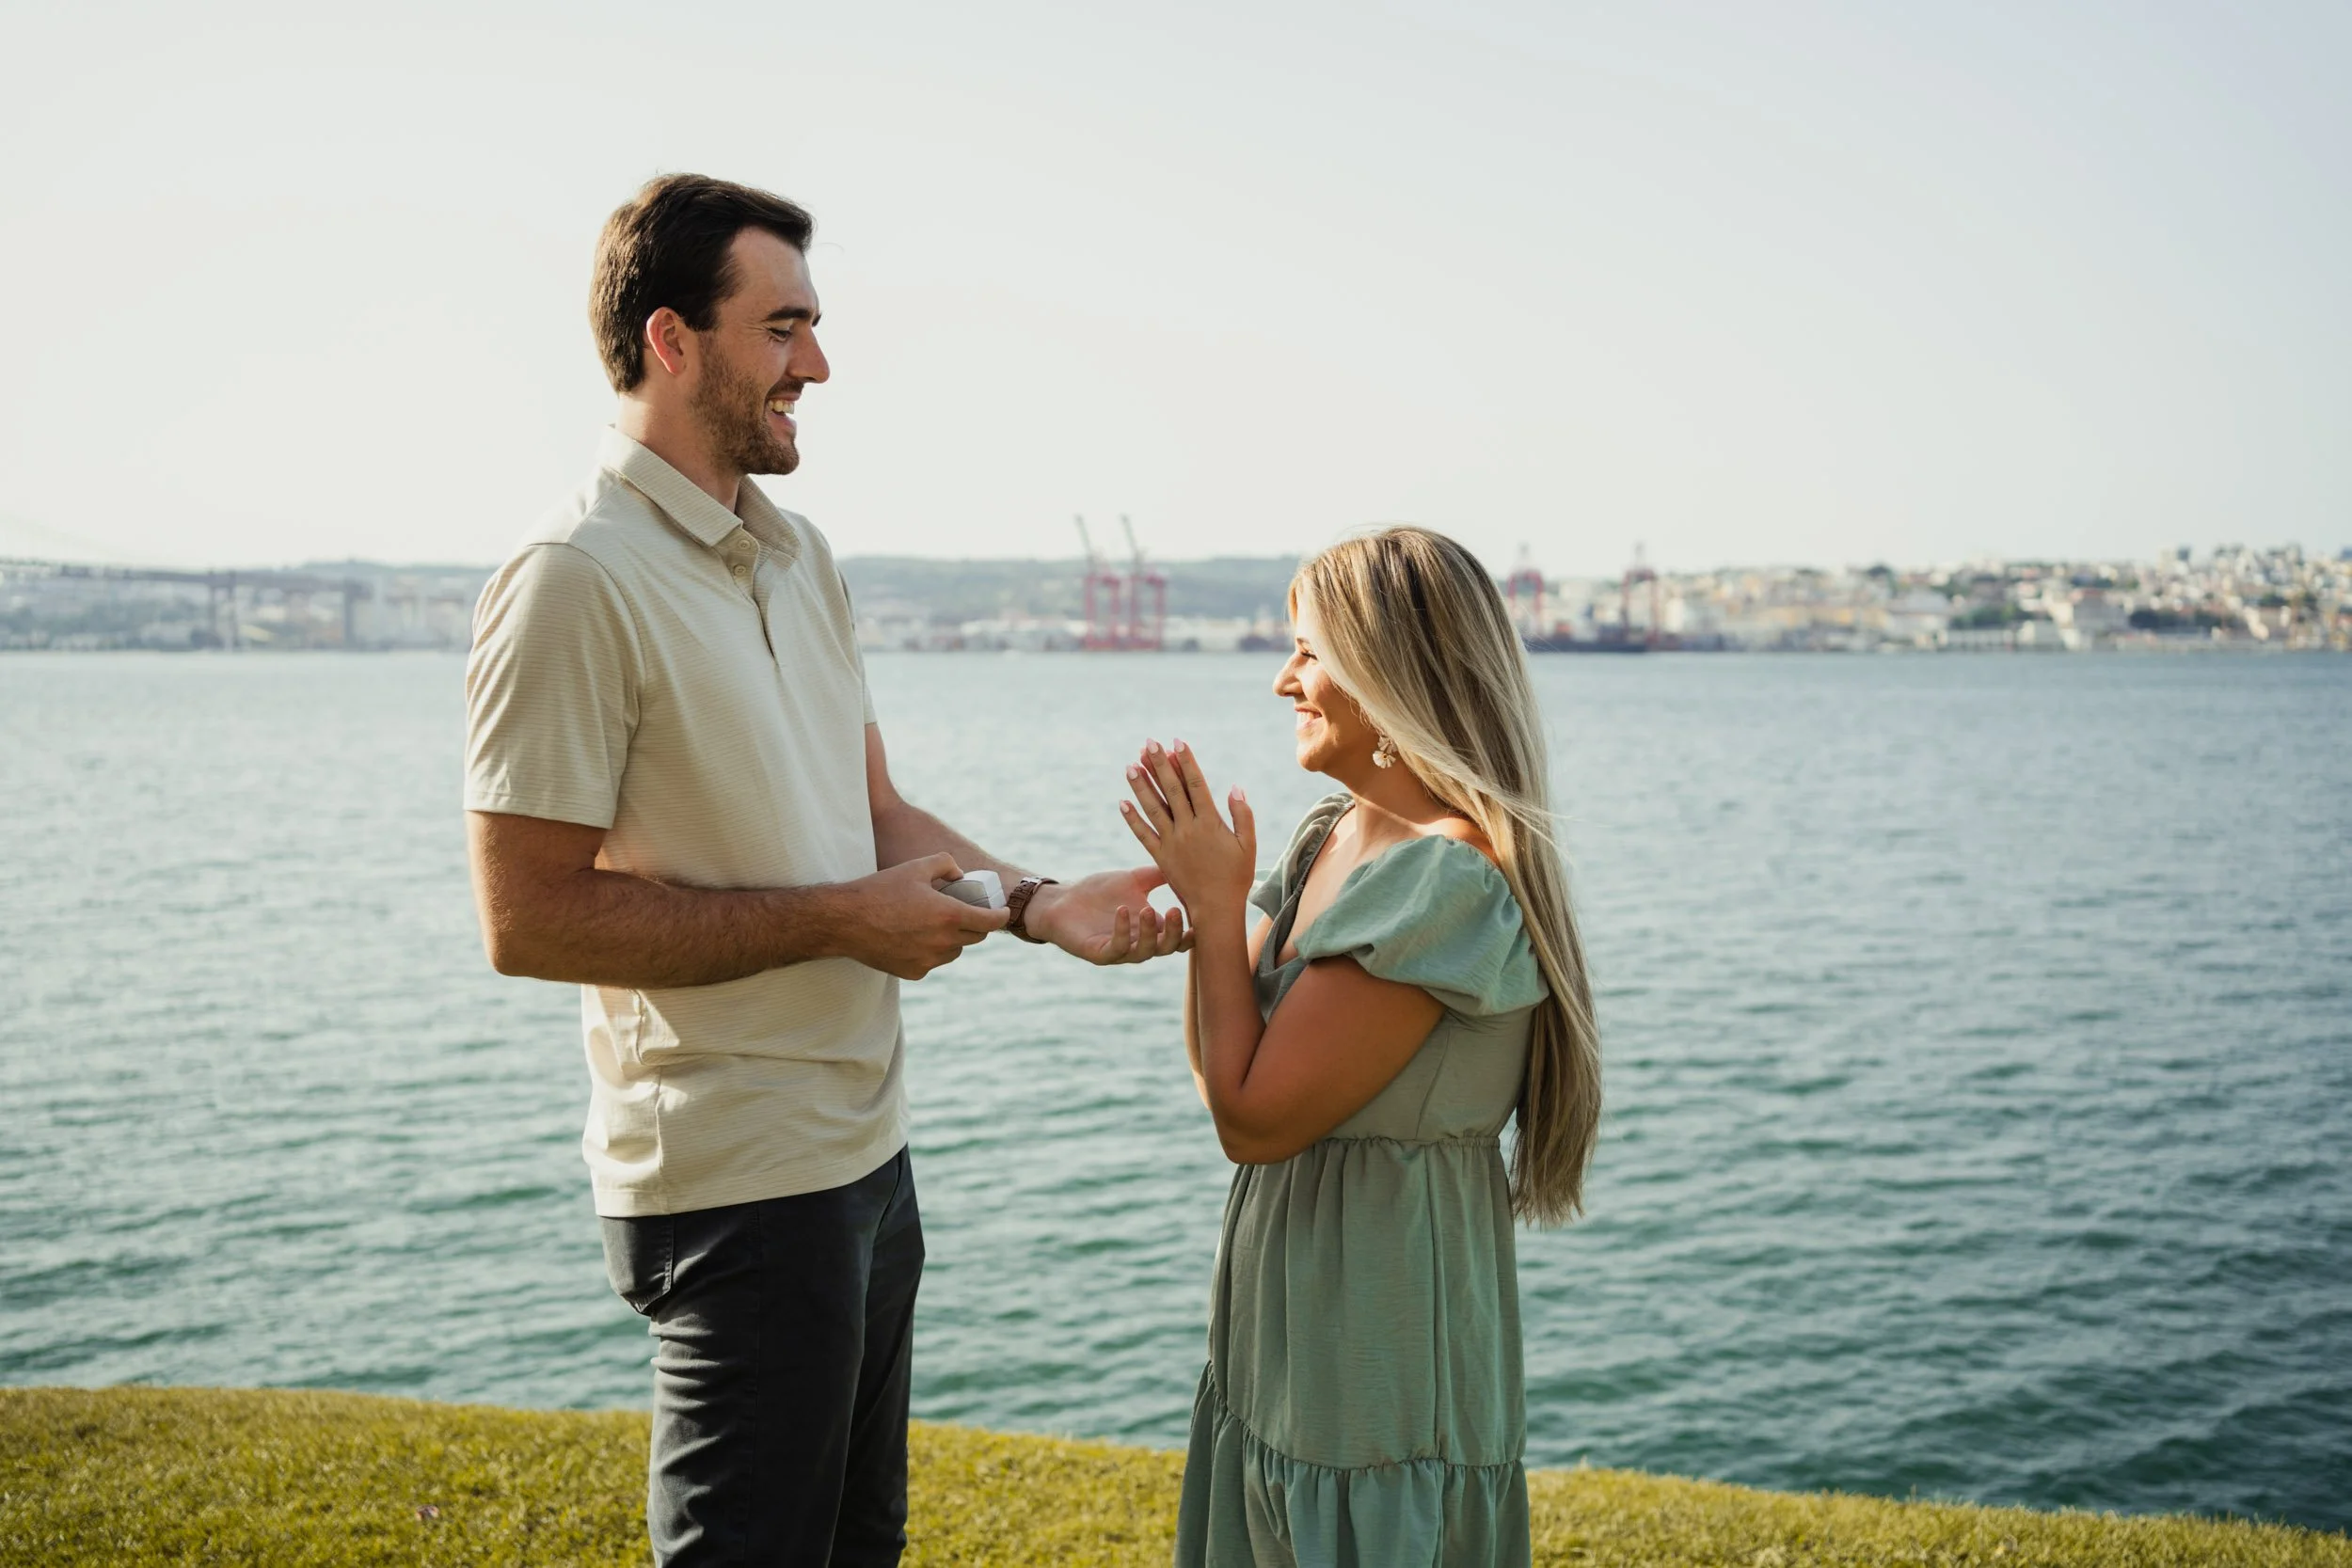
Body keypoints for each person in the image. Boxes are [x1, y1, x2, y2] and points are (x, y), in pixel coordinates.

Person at [462, 173, 1186, 1568]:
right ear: (672, 339)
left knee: (863, 1550)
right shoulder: (573, 575)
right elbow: (526, 915)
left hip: (867, 1151)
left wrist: (1038, 903)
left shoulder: (801, 556)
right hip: (731, 1175)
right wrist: (842, 922)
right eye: (784, 327)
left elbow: (870, 809)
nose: (821, 365)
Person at [1118, 527, 1603, 1568]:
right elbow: (1225, 1074)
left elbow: (1253, 1118)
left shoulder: (1447, 881)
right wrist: (1204, 910)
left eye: (1308, 650)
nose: (1284, 679)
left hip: (1378, 1344)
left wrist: (1213, 903)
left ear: (1393, 670)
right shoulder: (1329, 836)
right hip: (1289, 1324)